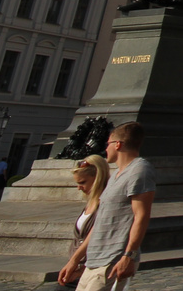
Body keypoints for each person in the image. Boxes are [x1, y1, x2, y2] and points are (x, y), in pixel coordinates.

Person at [58, 120, 156, 291]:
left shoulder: (139, 170)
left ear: (118, 144)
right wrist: (75, 260)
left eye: (108, 144)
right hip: (93, 262)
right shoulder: (115, 176)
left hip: (113, 260)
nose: (105, 148)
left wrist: (129, 255)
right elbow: (99, 224)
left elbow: (141, 216)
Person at [60, 155, 109, 285]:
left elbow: (94, 234)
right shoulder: (90, 202)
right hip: (79, 267)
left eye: (82, 182)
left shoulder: (105, 203)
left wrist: (75, 261)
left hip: (93, 266)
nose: (79, 187)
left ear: (97, 178)